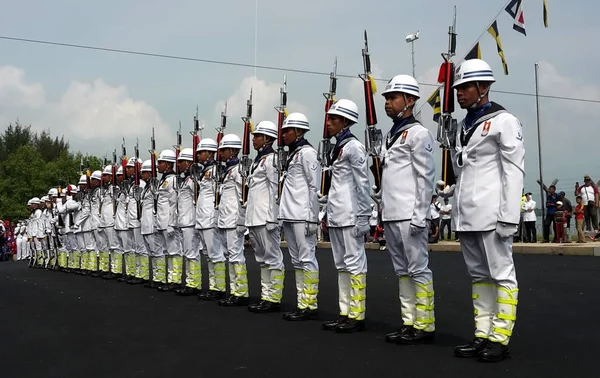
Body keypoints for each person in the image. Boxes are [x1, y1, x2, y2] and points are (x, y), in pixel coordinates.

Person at [450, 59, 525, 362]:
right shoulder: (463, 126)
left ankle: (501, 337)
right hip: (467, 212)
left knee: (502, 275)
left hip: (493, 212)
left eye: (466, 87)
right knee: (479, 276)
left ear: (483, 87)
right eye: (458, 88)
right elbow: (464, 170)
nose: (460, 93)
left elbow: (514, 171)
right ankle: (482, 334)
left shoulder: (505, 121)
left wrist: (509, 216)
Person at [375, 74, 436, 345]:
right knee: (402, 271)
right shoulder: (391, 135)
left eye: (392, 97)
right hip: (391, 213)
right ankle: (408, 321)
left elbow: (426, 177)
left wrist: (421, 215)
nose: (387, 103)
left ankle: (424, 324)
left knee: (418, 269)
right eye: (387, 98)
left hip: (410, 214)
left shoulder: (418, 133)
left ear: (409, 100)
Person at [318, 99, 370, 333]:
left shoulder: (353, 147)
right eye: (329, 118)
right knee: (341, 266)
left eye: (334, 119)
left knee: (354, 264)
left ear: (346, 122)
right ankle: (344, 312)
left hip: (350, 214)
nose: (329, 123)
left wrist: (364, 215)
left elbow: (362, 183)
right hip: (337, 213)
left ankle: (356, 314)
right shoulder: (337, 147)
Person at [278, 112, 321, 321]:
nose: (284, 134)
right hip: (290, 214)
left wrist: (313, 217)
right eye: (284, 130)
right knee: (296, 261)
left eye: (287, 130)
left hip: (303, 214)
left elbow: (315, 186)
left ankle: (310, 304)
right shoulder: (293, 153)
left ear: (299, 131)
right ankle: (301, 302)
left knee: (307, 259)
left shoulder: (307, 153)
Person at [244, 121, 285, 313]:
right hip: (254, 217)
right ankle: (266, 296)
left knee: (273, 258)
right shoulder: (258, 160)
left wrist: (273, 218)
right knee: (262, 259)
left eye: (257, 136)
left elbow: (276, 189)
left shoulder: (271, 159)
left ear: (267, 138)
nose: (253, 139)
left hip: (265, 217)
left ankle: (274, 298)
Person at [215, 134, 250, 306]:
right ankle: (234, 290)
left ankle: (241, 292)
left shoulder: (238, 170)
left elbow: (244, 196)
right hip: (225, 219)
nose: (220, 153)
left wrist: (242, 221)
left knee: (236, 256)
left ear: (233, 150)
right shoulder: (228, 170)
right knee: (230, 256)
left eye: (224, 150)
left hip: (234, 219)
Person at [194, 138, 227, 301]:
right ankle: (214, 286)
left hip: (210, 216)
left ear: (210, 153)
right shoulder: (204, 170)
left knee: (216, 253)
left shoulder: (217, 169)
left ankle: (219, 287)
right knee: (208, 254)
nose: (198, 155)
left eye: (201, 152)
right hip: (202, 216)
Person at [174, 148, 201, 295]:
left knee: (192, 254)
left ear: (189, 162)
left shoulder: (192, 179)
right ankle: (191, 282)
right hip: (184, 221)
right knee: (187, 253)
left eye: (181, 162)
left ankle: (194, 283)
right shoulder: (185, 179)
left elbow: (197, 199)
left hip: (191, 220)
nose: (178, 165)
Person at [154, 150, 180, 291]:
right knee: (166, 252)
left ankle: (174, 280)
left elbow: (174, 203)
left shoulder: (173, 180)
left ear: (169, 164)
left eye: (160, 162)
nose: (158, 165)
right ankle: (168, 278)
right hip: (161, 222)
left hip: (168, 222)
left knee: (173, 252)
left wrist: (171, 223)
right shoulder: (163, 180)